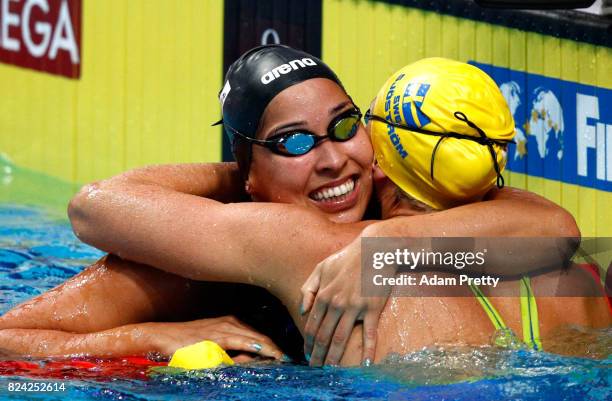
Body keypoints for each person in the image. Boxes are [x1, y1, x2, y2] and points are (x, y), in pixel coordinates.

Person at [0, 47, 581, 364]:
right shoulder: (260, 237)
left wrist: (386, 244)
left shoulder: (409, 234)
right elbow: (90, 210)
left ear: (378, 142)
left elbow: (556, 226)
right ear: (249, 174)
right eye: (294, 142)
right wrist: (145, 339)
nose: (332, 160)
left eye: (344, 126)